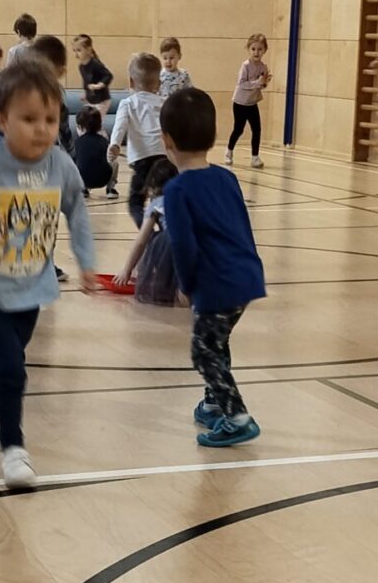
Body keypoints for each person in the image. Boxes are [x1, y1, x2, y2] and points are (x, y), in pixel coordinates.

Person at [0, 53, 97, 490]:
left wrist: (86, 261)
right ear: (2, 120)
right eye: (29, 119)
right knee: (12, 366)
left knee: (11, 360)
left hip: (33, 285)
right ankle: (14, 448)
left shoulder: (61, 165)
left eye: (50, 119)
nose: (42, 129)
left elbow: (77, 211)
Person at [159, 87, 266, 449]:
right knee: (217, 341)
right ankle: (212, 402)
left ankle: (237, 417)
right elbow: (242, 226)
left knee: (203, 351)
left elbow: (183, 245)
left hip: (216, 283)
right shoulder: (226, 177)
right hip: (246, 277)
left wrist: (186, 284)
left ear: (166, 140)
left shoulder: (177, 190)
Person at [107, 52, 166, 227]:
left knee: (135, 203)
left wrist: (115, 144)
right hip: (165, 160)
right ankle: (165, 230)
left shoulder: (128, 103)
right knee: (163, 200)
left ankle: (147, 232)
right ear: (159, 83)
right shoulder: (164, 103)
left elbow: (120, 125)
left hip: (143, 161)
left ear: (131, 82)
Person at [116, 158, 179, 304]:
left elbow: (141, 241)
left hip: (173, 245)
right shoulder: (184, 196)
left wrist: (127, 269)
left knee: (156, 240)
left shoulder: (157, 204)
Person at [226, 34, 271, 168]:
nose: (256, 52)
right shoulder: (245, 66)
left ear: (265, 50)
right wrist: (257, 83)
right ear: (248, 49)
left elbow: (261, 85)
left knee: (257, 129)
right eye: (253, 49)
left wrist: (264, 83)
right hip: (240, 103)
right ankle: (229, 151)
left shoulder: (263, 67)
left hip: (252, 103)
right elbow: (241, 83)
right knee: (238, 129)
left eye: (260, 49)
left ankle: (255, 157)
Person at [72, 102, 114, 197]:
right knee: (114, 162)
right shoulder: (104, 141)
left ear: (80, 126)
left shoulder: (77, 142)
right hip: (103, 179)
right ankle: (110, 189)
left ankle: (82, 189)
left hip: (83, 179)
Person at [72, 33, 113, 111]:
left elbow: (108, 75)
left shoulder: (95, 64)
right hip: (91, 99)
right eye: (74, 50)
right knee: (85, 116)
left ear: (88, 50)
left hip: (102, 100)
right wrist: (86, 94)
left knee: (94, 118)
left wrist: (99, 85)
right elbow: (86, 82)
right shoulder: (81, 66)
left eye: (79, 50)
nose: (76, 54)